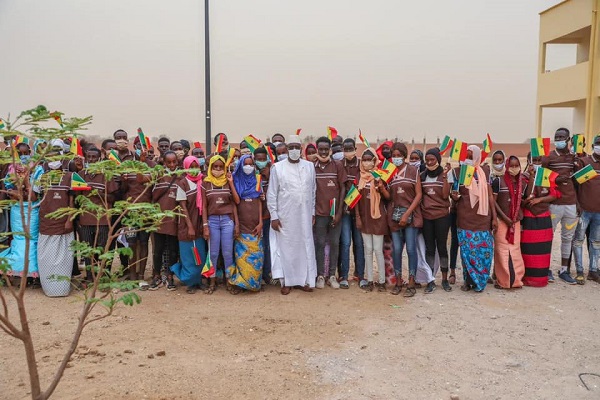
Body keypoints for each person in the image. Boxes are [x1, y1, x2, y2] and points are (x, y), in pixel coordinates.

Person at [267, 136, 317, 295]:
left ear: (301, 149)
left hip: (305, 215)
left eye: (297, 147)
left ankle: (303, 281)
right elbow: (272, 194)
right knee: (286, 248)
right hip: (285, 216)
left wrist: (313, 212)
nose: (294, 150)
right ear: (287, 149)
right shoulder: (277, 167)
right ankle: (286, 281)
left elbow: (313, 191)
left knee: (304, 246)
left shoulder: (309, 167)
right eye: (291, 147)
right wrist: (274, 215)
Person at [451, 145, 497, 292]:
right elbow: (456, 193)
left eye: (471, 156)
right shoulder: (460, 172)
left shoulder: (485, 172)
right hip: (465, 219)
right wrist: (454, 197)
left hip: (483, 219)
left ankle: (481, 280)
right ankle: (468, 281)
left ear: (477, 156)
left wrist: (494, 218)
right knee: (466, 253)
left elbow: (490, 197)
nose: (468, 159)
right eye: (466, 156)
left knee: (483, 252)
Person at [35, 141, 75, 297]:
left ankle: (62, 288)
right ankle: (49, 288)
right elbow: (34, 196)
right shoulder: (42, 177)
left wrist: (69, 219)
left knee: (65, 257)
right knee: (46, 258)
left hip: (63, 223)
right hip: (46, 223)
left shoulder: (70, 177)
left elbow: (72, 200)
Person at [541, 128, 579, 284]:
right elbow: (541, 178)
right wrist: (555, 180)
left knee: (567, 238)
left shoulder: (573, 157)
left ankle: (564, 270)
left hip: (571, 204)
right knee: (548, 237)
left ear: (568, 139)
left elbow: (579, 180)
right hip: (554, 204)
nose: (559, 139)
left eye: (562, 137)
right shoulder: (549, 157)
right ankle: (546, 269)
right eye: (557, 137)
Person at [386, 142, 423, 296]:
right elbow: (388, 197)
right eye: (393, 156)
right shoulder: (389, 172)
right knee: (396, 250)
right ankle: (399, 281)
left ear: (404, 156)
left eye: (398, 155)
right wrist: (381, 188)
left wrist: (407, 214)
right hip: (394, 216)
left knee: (410, 249)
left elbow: (419, 194)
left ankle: (412, 283)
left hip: (410, 216)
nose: (396, 158)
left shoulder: (413, 170)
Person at [78, 147, 119, 284]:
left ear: (99, 158)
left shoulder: (106, 175)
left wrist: (98, 193)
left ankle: (103, 276)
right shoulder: (81, 174)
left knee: (102, 248)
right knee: (88, 250)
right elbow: (76, 198)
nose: (91, 160)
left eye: (94, 157)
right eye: (89, 157)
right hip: (85, 218)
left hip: (102, 219)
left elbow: (113, 198)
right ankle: (90, 276)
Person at [202, 155, 240, 294]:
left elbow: (236, 202)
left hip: (227, 221)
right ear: (210, 167)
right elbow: (204, 207)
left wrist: (236, 224)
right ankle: (212, 282)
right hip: (212, 221)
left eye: (220, 166)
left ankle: (230, 282)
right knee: (213, 253)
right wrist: (205, 225)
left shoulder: (228, 180)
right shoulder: (205, 183)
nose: (218, 169)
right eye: (215, 167)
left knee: (228, 253)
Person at [312, 136, 346, 289]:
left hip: (334, 214)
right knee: (319, 244)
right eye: (321, 149)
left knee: (334, 243)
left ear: (330, 150)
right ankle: (320, 275)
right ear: (317, 149)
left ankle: (332, 275)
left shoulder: (338, 165)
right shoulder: (312, 167)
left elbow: (343, 188)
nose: (324, 152)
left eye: (327, 149)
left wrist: (339, 213)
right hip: (319, 214)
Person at [171, 156, 207, 294]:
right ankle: (188, 281)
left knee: (200, 255)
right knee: (188, 256)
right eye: (190, 166)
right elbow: (183, 207)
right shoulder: (182, 183)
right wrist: (190, 226)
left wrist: (204, 225)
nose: (193, 169)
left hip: (199, 224)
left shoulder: (202, 181)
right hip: (187, 225)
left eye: (195, 166)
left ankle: (198, 281)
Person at [521, 153, 558, 287]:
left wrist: (540, 199)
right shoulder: (523, 177)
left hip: (543, 218)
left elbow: (554, 195)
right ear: (528, 161)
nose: (536, 162)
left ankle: (541, 278)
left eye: (538, 160)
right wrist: (531, 176)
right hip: (529, 217)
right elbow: (526, 195)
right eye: (533, 160)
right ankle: (527, 278)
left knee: (543, 249)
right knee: (528, 250)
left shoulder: (547, 175)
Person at [120, 146, 156, 283]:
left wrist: (142, 163)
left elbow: (142, 180)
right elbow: (123, 190)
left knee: (144, 242)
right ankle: (132, 274)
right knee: (131, 244)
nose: (140, 151)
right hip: (130, 212)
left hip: (146, 212)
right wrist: (123, 181)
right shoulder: (128, 168)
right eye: (138, 149)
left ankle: (141, 275)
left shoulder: (152, 168)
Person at [355, 148, 388, 292]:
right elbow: (354, 200)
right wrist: (358, 217)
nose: (367, 162)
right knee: (367, 249)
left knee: (378, 250)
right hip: (364, 218)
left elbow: (388, 197)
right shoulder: (359, 178)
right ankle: (369, 280)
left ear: (375, 161)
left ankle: (381, 281)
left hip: (378, 217)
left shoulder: (379, 176)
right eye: (365, 159)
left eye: (370, 159)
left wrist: (380, 187)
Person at [229, 154, 263, 293]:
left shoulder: (257, 180)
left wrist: (261, 222)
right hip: (242, 225)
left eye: (251, 164)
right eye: (245, 164)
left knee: (257, 256)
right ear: (240, 165)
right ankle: (241, 283)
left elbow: (259, 202)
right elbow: (236, 202)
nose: (248, 167)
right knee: (241, 257)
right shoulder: (236, 180)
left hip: (255, 225)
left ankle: (254, 284)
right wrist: (231, 182)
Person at [420, 148, 452, 292]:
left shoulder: (444, 175)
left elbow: (445, 196)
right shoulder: (422, 176)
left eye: (432, 160)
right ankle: (430, 279)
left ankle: (444, 279)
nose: (429, 162)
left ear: (438, 160)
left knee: (442, 247)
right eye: (427, 160)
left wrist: (445, 176)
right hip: (427, 217)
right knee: (429, 249)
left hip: (442, 217)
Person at [492, 155, 526, 289]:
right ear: (507, 167)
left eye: (516, 165)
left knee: (515, 251)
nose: (514, 168)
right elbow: (493, 202)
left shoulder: (522, 182)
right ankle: (503, 281)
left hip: (516, 222)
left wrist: (533, 176)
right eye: (511, 166)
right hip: (502, 221)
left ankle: (516, 280)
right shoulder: (498, 182)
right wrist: (504, 218)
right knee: (502, 251)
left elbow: (526, 197)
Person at [150, 151, 180, 291]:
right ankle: (156, 275)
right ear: (164, 162)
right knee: (158, 249)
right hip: (159, 218)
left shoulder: (181, 176)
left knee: (173, 250)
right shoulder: (158, 175)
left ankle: (170, 275)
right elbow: (142, 181)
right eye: (169, 162)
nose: (172, 165)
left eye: (174, 162)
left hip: (175, 218)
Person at [572, 134, 600, 283]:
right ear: (593, 145)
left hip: (599, 213)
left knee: (596, 242)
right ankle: (579, 271)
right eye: (598, 143)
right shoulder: (585, 162)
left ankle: (594, 271)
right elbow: (575, 184)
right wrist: (577, 204)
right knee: (578, 240)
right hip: (584, 210)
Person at [339, 138, 364, 288]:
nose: (348, 152)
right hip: (344, 209)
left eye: (350, 149)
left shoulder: (361, 164)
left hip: (360, 208)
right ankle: (344, 275)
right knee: (346, 242)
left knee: (359, 243)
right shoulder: (339, 164)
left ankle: (360, 275)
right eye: (346, 149)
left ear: (355, 148)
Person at [254, 147, 273, 284]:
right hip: (255, 218)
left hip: (270, 217)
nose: (261, 162)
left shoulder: (273, 173)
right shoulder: (252, 175)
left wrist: (270, 175)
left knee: (268, 246)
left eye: (263, 159)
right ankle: (257, 274)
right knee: (257, 246)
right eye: (258, 160)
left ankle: (267, 273)